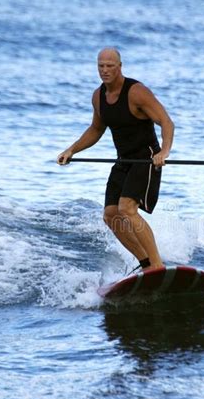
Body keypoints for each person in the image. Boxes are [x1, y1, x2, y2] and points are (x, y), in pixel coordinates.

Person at [58, 47, 174, 271]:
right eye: (101, 66)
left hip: (146, 159)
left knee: (127, 209)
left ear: (120, 67)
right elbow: (95, 129)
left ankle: (157, 266)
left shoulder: (136, 92)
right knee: (111, 215)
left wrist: (164, 152)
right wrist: (71, 150)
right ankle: (145, 263)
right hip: (123, 161)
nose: (105, 70)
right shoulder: (98, 96)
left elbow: (166, 122)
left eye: (110, 65)